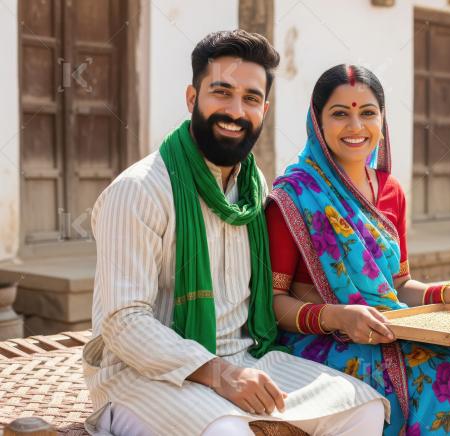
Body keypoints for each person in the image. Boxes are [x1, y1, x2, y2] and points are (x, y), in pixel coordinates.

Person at [84, 31, 388, 436]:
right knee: (226, 432)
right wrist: (219, 374)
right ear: (192, 99)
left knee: (362, 407)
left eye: (249, 99)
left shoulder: (253, 186)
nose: (235, 111)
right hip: (143, 377)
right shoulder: (140, 190)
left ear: (264, 107)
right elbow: (122, 323)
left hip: (244, 356)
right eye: (221, 93)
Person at [266, 64, 450, 436]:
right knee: (445, 383)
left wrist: (446, 292)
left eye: (367, 113)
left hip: (391, 331)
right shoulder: (293, 196)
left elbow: (400, 285)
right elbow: (273, 301)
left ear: (382, 119)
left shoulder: (390, 191)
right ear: (318, 121)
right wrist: (338, 317)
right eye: (340, 114)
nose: (356, 127)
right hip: (325, 340)